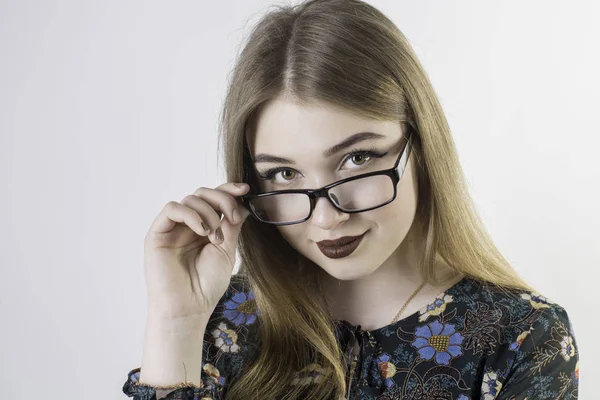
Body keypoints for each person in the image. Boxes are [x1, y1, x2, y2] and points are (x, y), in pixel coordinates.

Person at [122, 0, 579, 399]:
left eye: (357, 158)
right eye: (283, 173)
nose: (326, 217)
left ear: (420, 147)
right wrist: (176, 321)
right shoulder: (224, 316)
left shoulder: (520, 339)